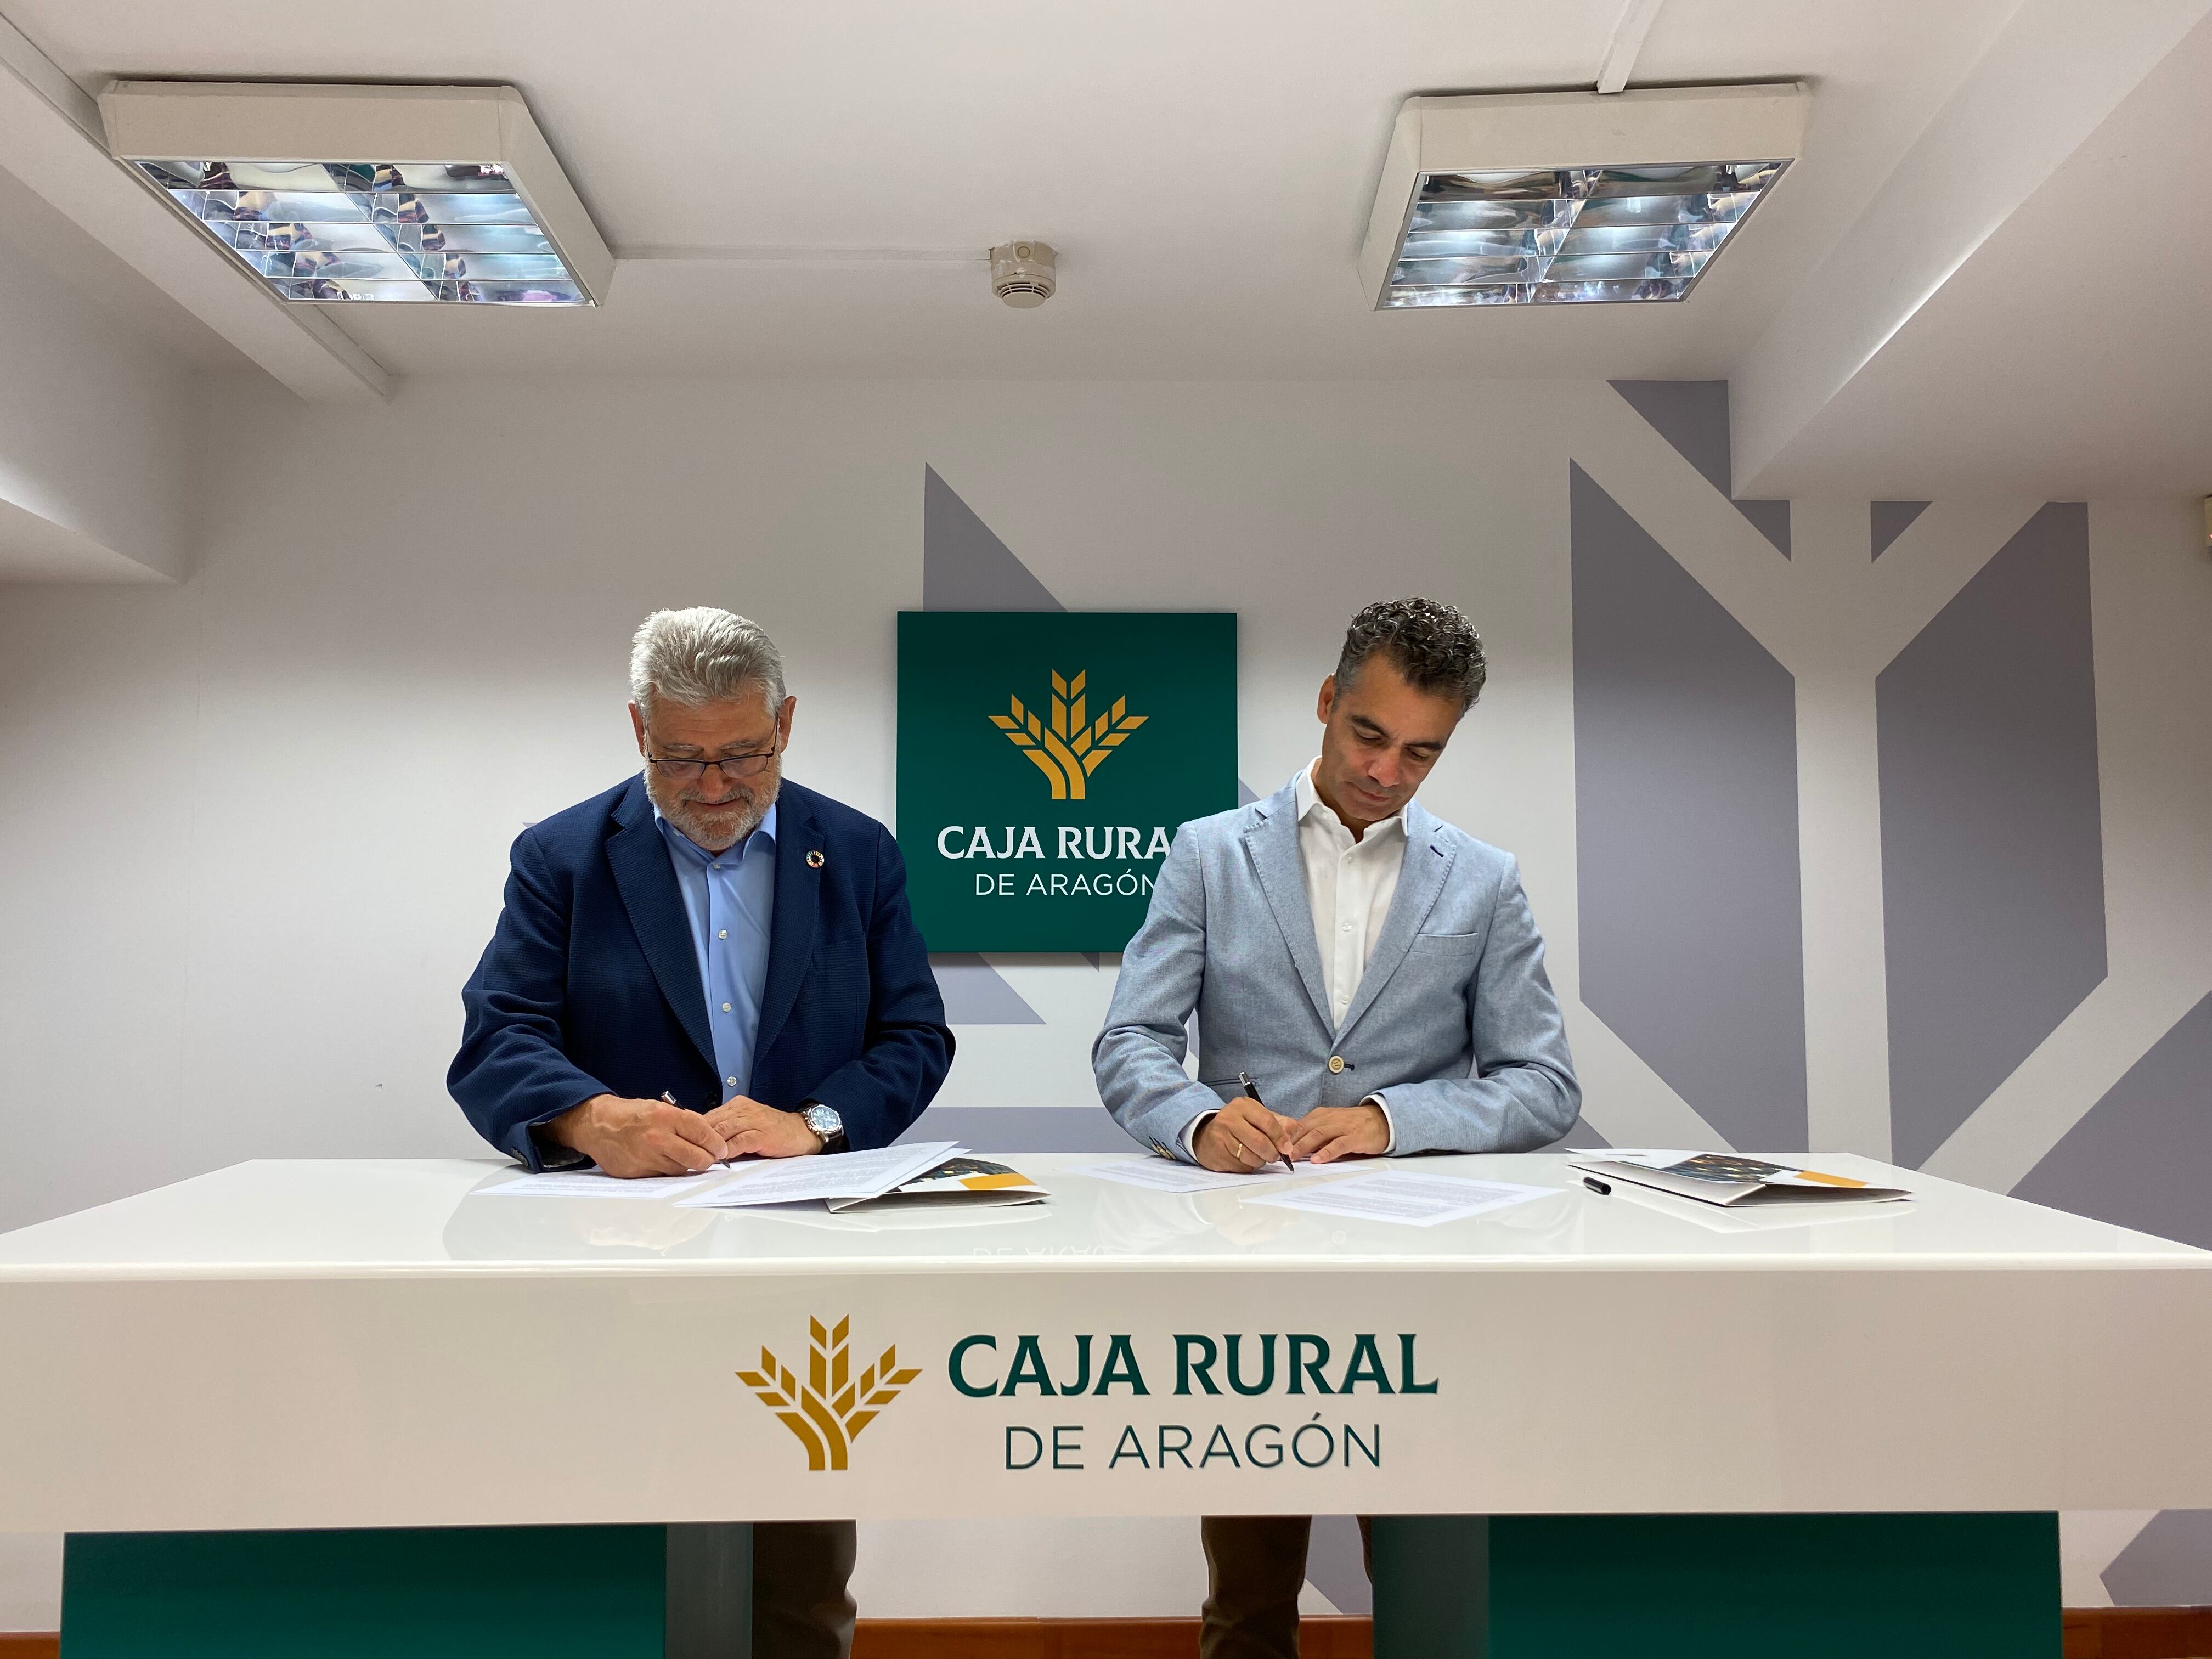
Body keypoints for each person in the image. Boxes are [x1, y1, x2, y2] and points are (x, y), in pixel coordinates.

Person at [449, 605, 953, 1659]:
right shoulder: (564, 858)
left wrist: (815, 1123)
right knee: (621, 1560)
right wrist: (591, 1120)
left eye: (743, 755)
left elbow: (914, 1037)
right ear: (638, 730)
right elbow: (495, 1038)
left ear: (788, 724)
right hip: (615, 1276)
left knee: (800, 1582)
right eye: (682, 757)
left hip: (804, 1279)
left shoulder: (856, 853)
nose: (715, 786)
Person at [1092, 596, 1578, 1659]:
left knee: (1432, 1577)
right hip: (1249, 1276)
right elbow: (1128, 1043)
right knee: (1250, 1594)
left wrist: (1390, 1119)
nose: (1389, 773)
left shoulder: (1486, 881)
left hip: (1425, 1277)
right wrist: (1199, 1120)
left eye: (1422, 753)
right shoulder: (1210, 854)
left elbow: (1544, 1084)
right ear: (1326, 703)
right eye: (1370, 735)